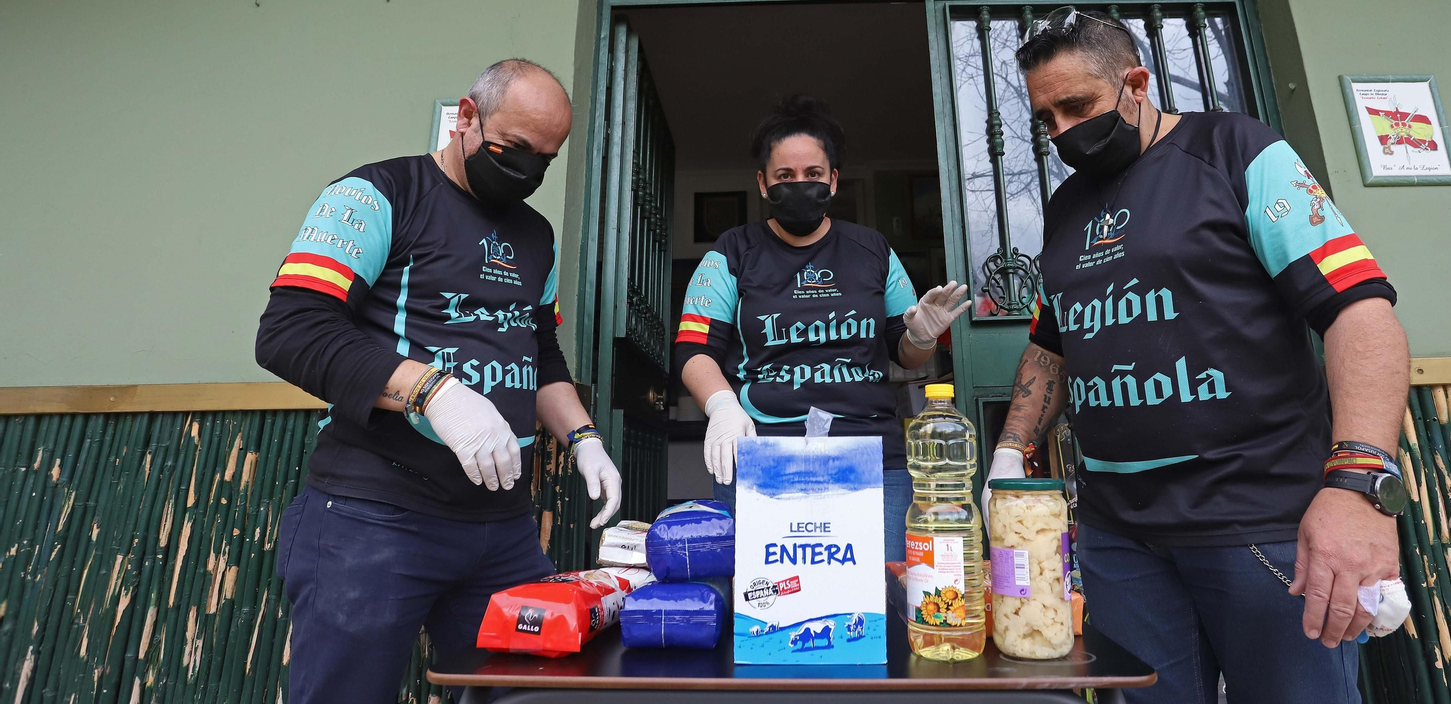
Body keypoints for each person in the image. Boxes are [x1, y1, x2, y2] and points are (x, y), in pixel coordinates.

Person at [984, 10, 1409, 704]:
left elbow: (1358, 311)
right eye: (1045, 118)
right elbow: (1049, 343)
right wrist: (1009, 451)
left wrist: (1359, 486)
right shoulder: (1062, 213)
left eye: (1076, 106)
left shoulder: (1236, 150)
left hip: (1259, 524)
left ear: (1137, 83)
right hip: (1119, 539)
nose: (1061, 131)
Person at [255, 59, 622, 704]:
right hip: (374, 517)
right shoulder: (377, 195)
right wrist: (435, 393)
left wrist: (584, 436)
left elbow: (539, 351)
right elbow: (291, 329)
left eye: (546, 158)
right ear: (468, 117)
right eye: (513, 149)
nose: (527, 171)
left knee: (534, 692)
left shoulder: (537, 235)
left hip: (501, 529)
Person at [673, 96, 971, 560]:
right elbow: (694, 349)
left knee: (878, 598)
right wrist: (722, 407)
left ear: (833, 180)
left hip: (873, 457)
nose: (800, 185)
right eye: (784, 177)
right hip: (764, 454)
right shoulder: (733, 251)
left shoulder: (872, 249)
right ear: (762, 184)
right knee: (770, 600)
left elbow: (905, 353)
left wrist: (921, 337)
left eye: (813, 175)